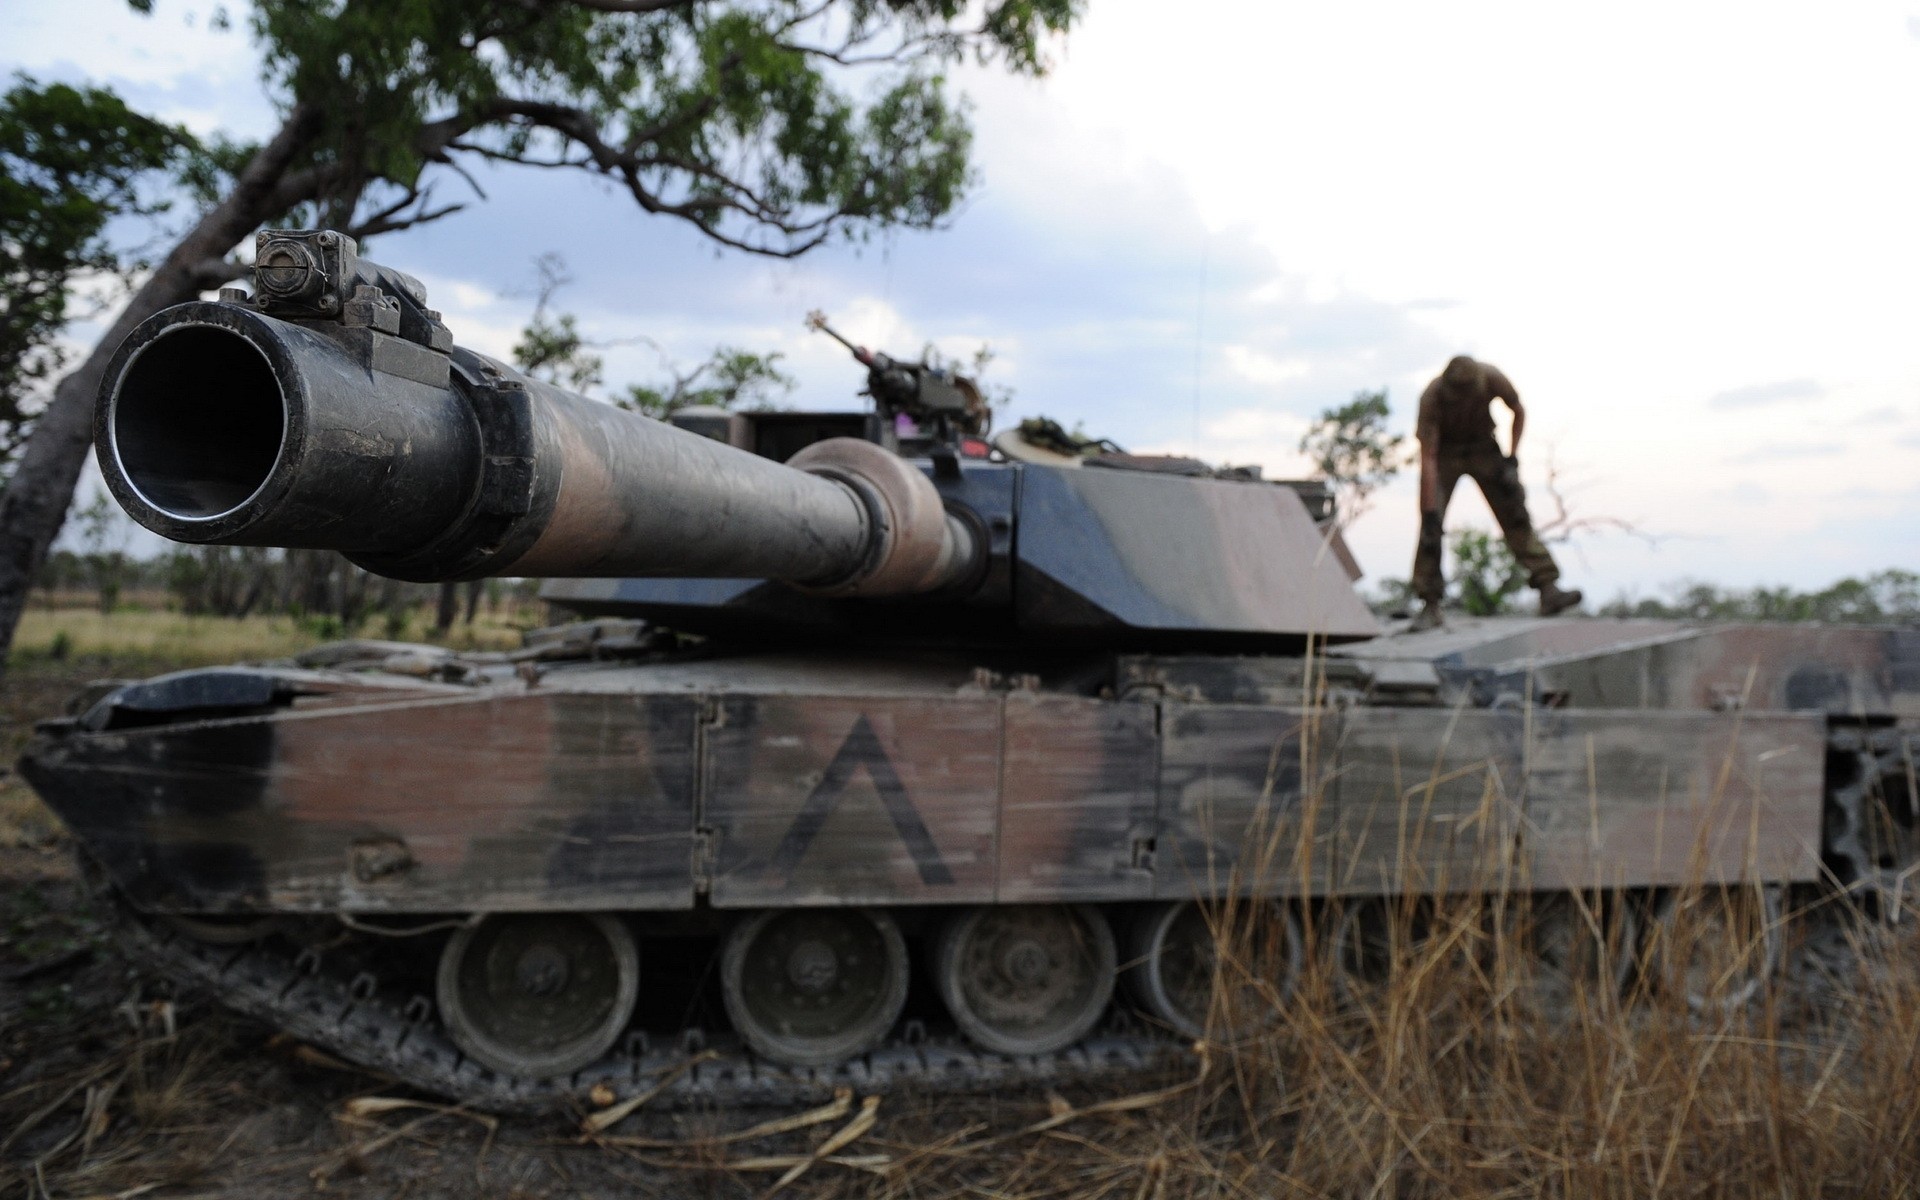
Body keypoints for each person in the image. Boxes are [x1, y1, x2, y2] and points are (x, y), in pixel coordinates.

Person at [1409, 355, 1581, 631]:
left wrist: (1512, 458)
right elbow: (1428, 456)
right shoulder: (1432, 396)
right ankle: (1430, 603)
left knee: (1515, 514)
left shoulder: (1491, 377)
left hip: (1483, 450)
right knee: (1430, 528)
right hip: (1445, 456)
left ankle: (1548, 588)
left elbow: (1518, 410)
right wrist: (1429, 511)